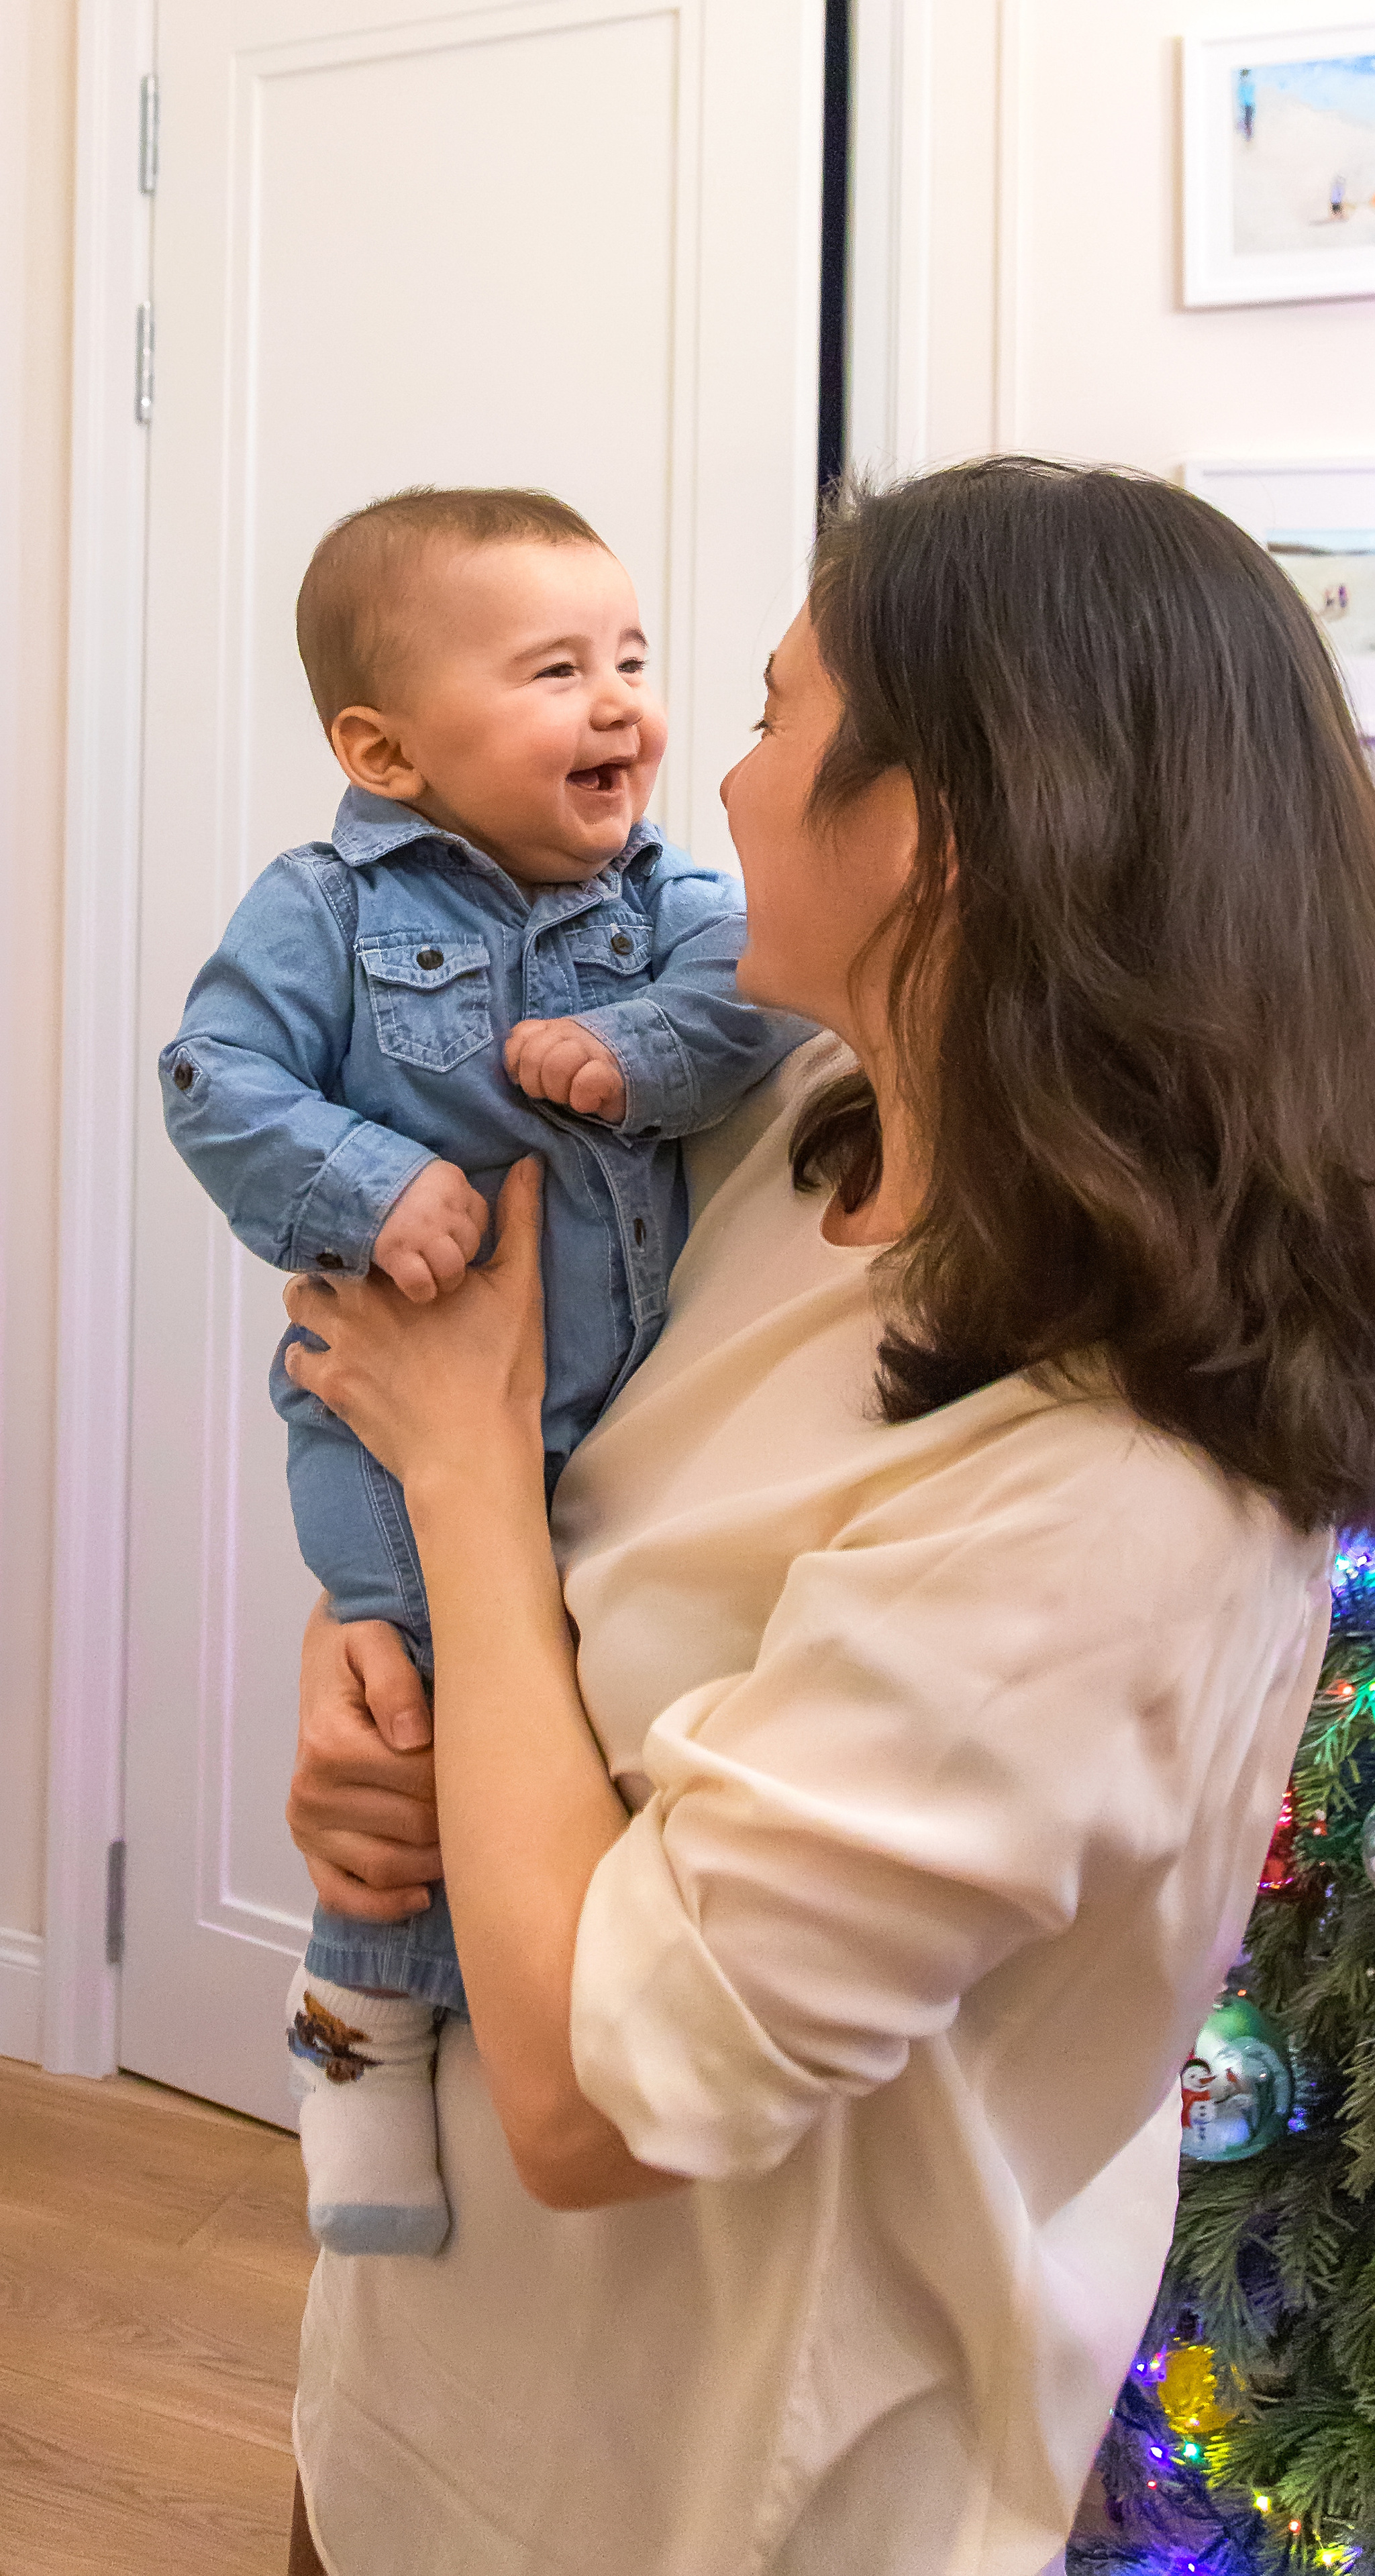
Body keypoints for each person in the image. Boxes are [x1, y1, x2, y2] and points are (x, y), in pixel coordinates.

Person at [278, 458, 1375, 2576]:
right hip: (418, 2412)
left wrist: (459, 1491)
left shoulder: (1119, 1490)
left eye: (763, 712)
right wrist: (389, 1714)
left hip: (702, 2503)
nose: (705, 778)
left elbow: (603, 2093)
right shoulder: (792, 1153)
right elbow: (570, 1621)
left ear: (930, 830)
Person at [160, 486, 803, 2259]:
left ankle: (492, 2008)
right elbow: (216, 1081)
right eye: (552, 671)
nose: (620, 705)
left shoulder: (673, 899)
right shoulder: (319, 910)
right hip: (386, 1410)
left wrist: (630, 1053)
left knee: (548, 1713)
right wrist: (370, 1187)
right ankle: (358, 2038)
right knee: (413, 1709)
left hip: (606, 1415)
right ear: (386, 748)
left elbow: (740, 1012)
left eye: (630, 661)